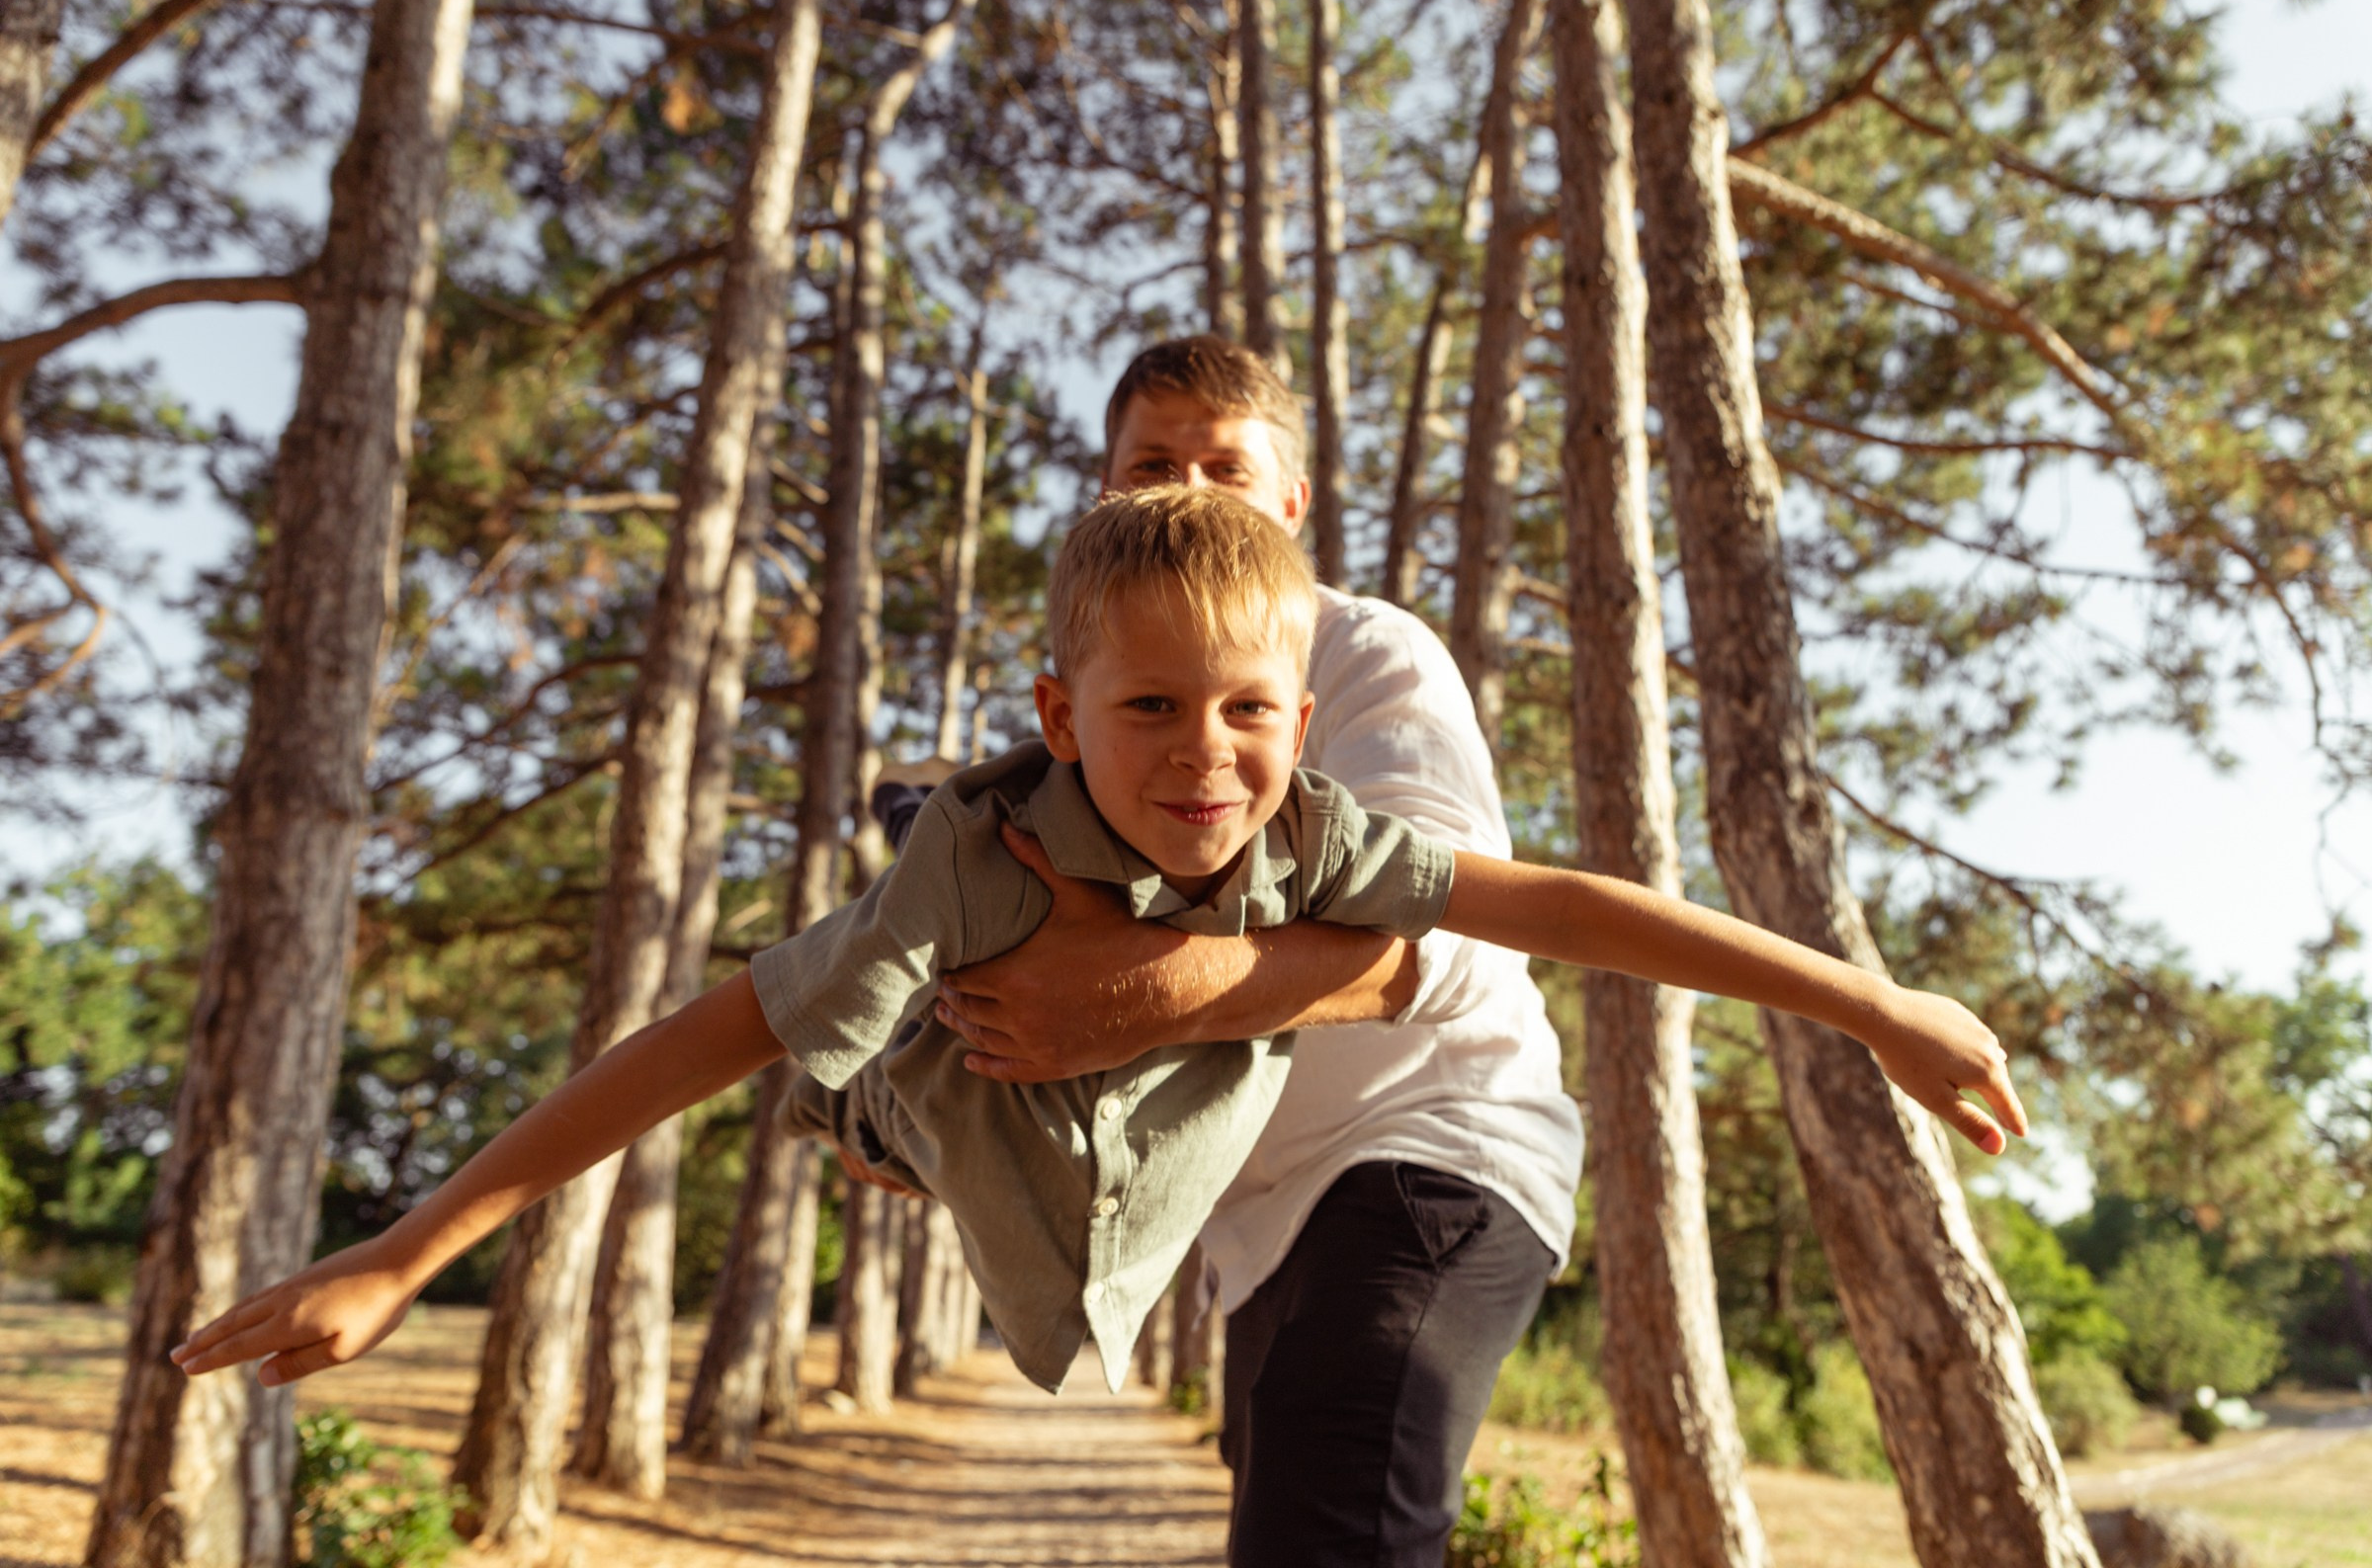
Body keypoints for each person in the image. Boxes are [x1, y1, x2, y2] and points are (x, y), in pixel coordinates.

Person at [173, 479, 2022, 1545]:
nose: (1204, 760)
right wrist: (409, 1251)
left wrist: (1872, 1005)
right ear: (1062, 716)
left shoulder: (1320, 825)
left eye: (1244, 713)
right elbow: (697, 1036)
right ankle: (881, 1101)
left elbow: (1574, 909)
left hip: (1193, 1181)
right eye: (1148, 715)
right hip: (964, 1102)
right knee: (874, 1035)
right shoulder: (981, 861)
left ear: (1305, 716)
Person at [897, 337, 2022, 1565]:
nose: (1189, 489)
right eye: (1152, 465)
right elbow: (1038, 991)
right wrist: (945, 1116)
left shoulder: (1367, 660)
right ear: (1109, 499)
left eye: (1226, 465)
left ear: (1290, 504)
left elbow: (1490, 938)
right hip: (1262, 1231)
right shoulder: (1110, 737)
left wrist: (1868, 1002)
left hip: (1434, 1155)